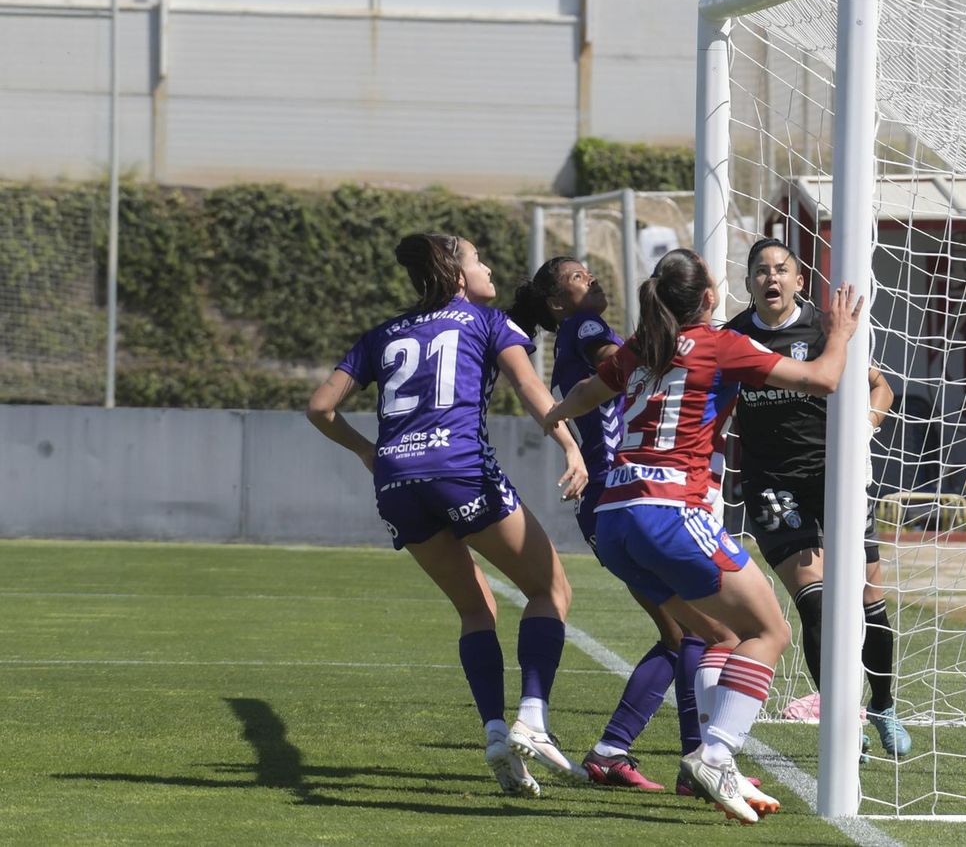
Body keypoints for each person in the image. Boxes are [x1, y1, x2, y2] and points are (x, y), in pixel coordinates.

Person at [541, 248, 863, 825]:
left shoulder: (644, 344)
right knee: (770, 630)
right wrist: (838, 333)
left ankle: (715, 756)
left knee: (714, 631)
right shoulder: (720, 343)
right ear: (710, 298)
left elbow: (591, 392)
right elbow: (824, 379)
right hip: (668, 510)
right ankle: (716, 755)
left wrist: (554, 413)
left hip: (614, 516)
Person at [306, 232, 587, 799]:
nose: (488, 269)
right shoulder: (486, 321)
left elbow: (320, 407)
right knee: (550, 589)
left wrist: (368, 451)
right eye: (479, 260)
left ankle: (493, 735)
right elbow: (532, 390)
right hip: (458, 469)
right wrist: (571, 445)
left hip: (397, 482)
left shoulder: (382, 333)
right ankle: (532, 718)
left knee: (477, 608)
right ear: (457, 275)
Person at [512, 257, 735, 794]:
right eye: (576, 277)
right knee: (699, 631)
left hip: (618, 502)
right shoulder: (584, 328)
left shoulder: (582, 330)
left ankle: (617, 750)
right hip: (627, 497)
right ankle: (693, 761)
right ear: (558, 303)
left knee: (681, 632)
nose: (590, 278)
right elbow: (622, 362)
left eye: (589, 271)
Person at [725, 238, 912, 759]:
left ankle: (883, 704)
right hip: (771, 486)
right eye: (760, 271)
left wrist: (861, 433)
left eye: (781, 270)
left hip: (837, 477)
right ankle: (841, 717)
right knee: (818, 600)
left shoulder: (826, 329)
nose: (771, 279)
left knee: (869, 598)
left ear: (800, 280)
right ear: (749, 283)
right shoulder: (734, 338)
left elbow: (883, 390)